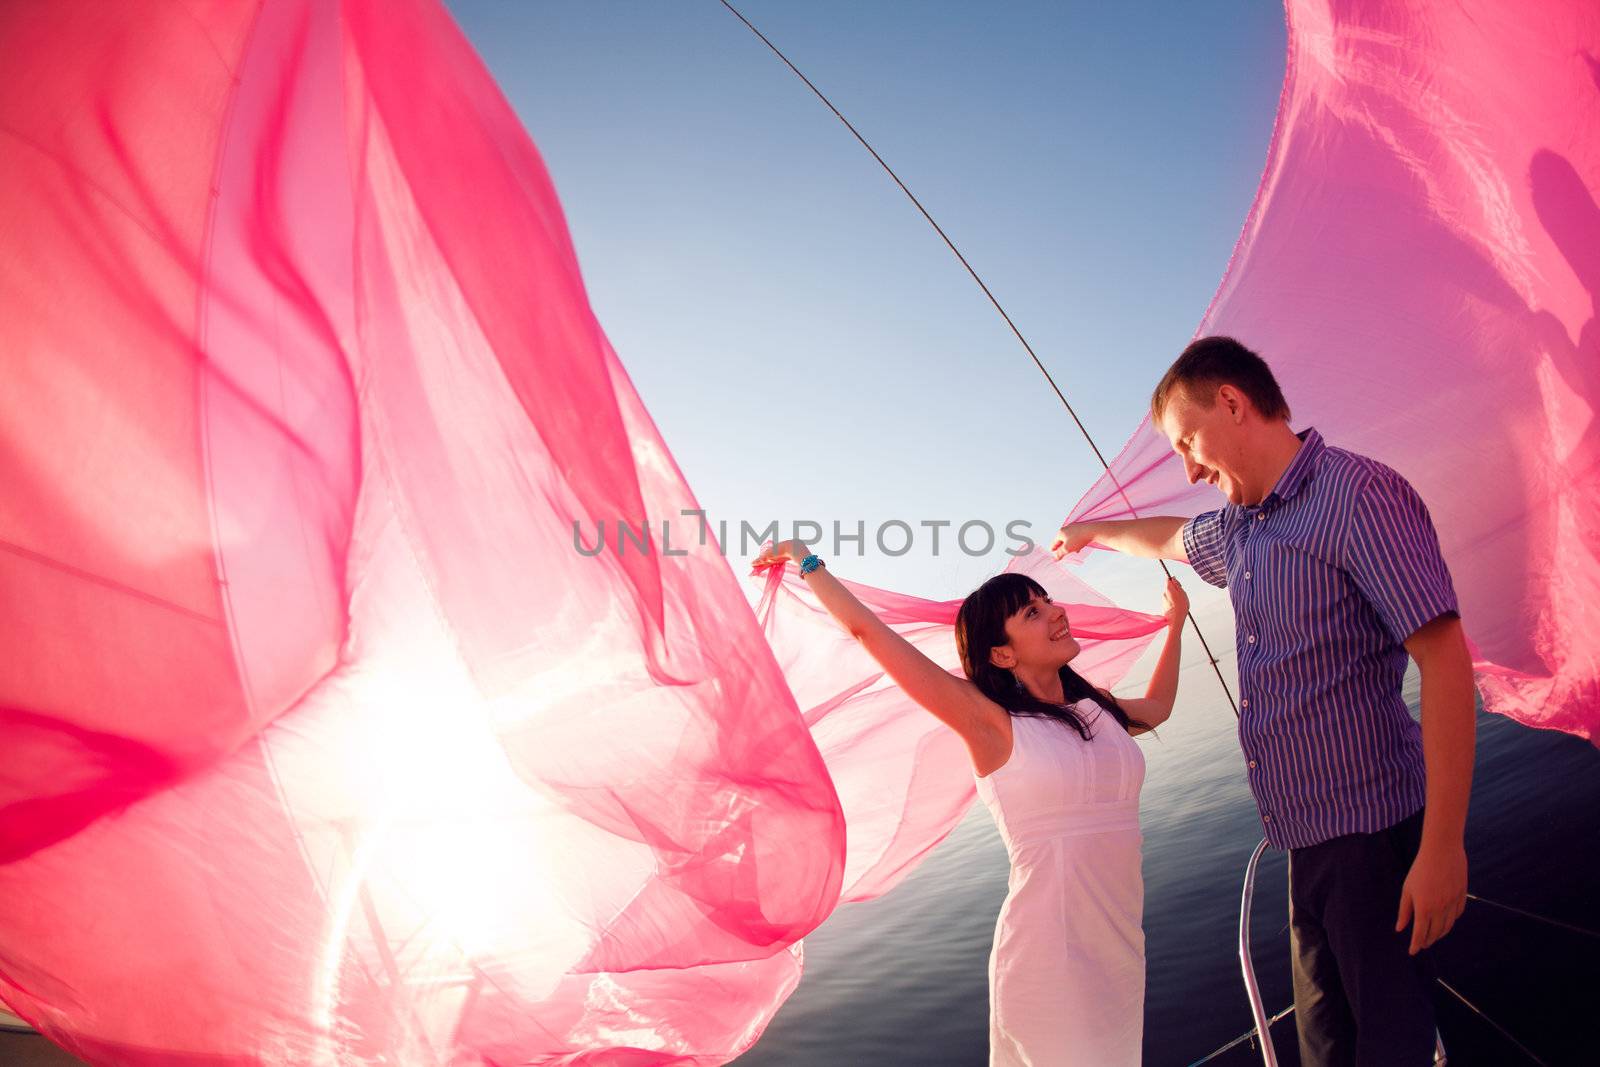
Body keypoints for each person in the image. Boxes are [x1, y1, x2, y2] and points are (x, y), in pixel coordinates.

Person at [1052, 336, 1475, 1066]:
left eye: (1188, 443)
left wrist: (1442, 846)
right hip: (1303, 847)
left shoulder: (1357, 495)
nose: (1187, 468)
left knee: (1391, 1049)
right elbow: (1169, 538)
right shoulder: (1244, 528)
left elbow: (1443, 658)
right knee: (1324, 1051)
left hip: (1375, 843)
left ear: (1233, 403)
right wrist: (1094, 532)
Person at [751, 539, 1187, 1066]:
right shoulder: (990, 724)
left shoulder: (1095, 711)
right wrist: (806, 560)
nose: (1056, 611)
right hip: (1049, 958)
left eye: (1047, 601)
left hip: (1118, 945)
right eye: (1033, 611)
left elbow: (1158, 707)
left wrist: (1177, 624)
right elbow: (871, 634)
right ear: (1001, 654)